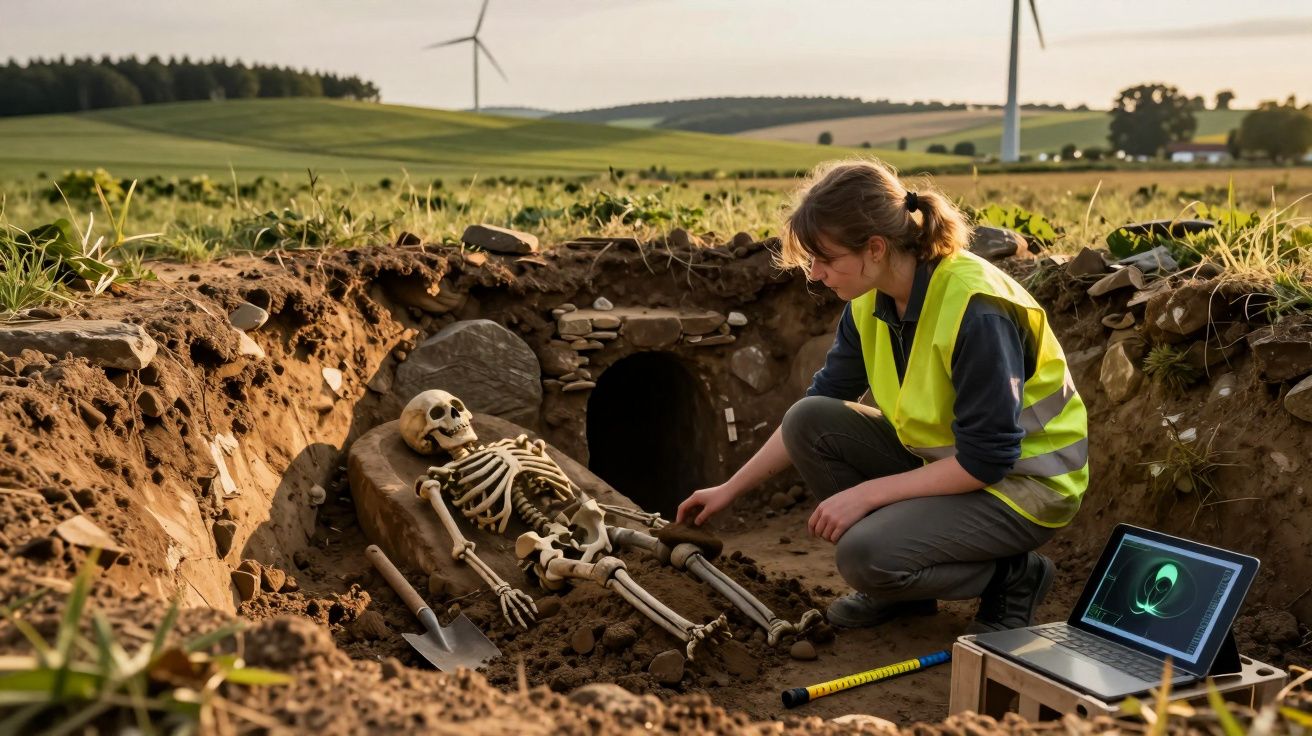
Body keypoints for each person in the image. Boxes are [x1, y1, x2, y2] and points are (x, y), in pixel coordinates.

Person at [675, 159, 1088, 633]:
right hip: (951, 466)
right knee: (811, 419)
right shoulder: (869, 303)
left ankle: (1014, 576)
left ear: (874, 248)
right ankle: (905, 593)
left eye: (825, 259)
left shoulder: (977, 310)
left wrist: (866, 496)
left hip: (1026, 485)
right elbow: (813, 412)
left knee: (862, 554)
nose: (815, 274)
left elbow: (987, 460)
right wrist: (728, 490)